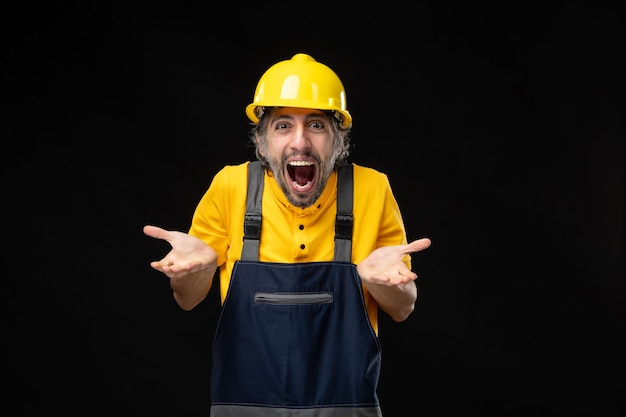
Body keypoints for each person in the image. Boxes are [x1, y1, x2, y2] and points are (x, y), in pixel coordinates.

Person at [144, 53, 431, 417]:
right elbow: (187, 299)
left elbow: (403, 308)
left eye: (316, 125)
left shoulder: (372, 190)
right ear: (262, 142)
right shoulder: (231, 187)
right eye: (282, 126)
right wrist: (196, 271)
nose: (300, 143)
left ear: (338, 139)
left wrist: (384, 283)